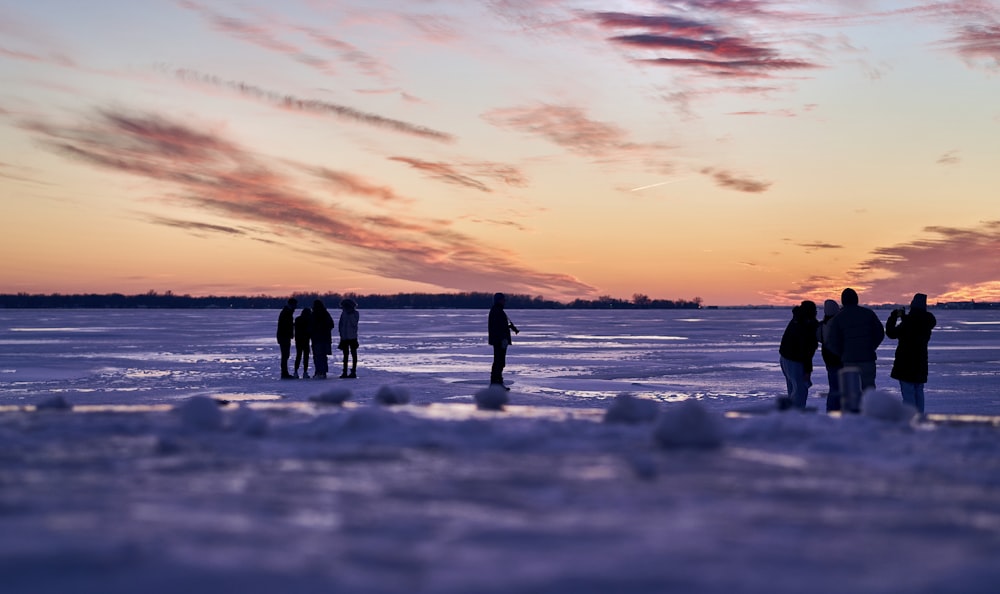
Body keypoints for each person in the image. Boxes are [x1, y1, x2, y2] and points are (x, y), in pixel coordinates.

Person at [826, 288, 885, 411]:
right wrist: (871, 347)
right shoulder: (868, 314)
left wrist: (843, 353)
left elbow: (831, 341)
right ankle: (870, 416)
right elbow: (879, 333)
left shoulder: (838, 318)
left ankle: (853, 421)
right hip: (867, 359)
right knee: (869, 392)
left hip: (849, 361)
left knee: (850, 393)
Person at [885, 293, 936, 414]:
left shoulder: (908, 322)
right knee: (919, 393)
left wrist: (893, 317)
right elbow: (915, 325)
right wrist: (904, 318)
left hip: (906, 364)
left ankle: (910, 420)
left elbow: (891, 333)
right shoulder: (926, 322)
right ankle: (919, 418)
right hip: (920, 364)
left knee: (908, 395)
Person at [778, 300, 819, 409]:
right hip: (794, 361)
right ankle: (796, 416)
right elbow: (806, 351)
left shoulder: (798, 319)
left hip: (785, 358)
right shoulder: (804, 325)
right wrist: (807, 371)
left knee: (793, 390)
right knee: (799, 392)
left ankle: (790, 415)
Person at [487, 292, 519, 389]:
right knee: (499, 362)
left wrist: (509, 327)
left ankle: (497, 382)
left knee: (500, 362)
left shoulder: (498, 310)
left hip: (499, 340)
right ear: (499, 300)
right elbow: (497, 327)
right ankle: (496, 383)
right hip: (499, 341)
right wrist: (503, 339)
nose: (504, 301)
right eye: (503, 299)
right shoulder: (497, 311)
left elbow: (500, 326)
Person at [817, 299, 844, 411]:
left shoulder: (822, 325)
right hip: (837, 360)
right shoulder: (836, 324)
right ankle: (835, 411)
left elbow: (819, 338)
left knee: (834, 386)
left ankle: (832, 410)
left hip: (828, 359)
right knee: (838, 388)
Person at [311, 299, 334, 379]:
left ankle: (318, 371)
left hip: (317, 339)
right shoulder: (326, 314)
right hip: (325, 339)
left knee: (317, 356)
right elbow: (331, 325)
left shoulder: (314, 314)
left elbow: (311, 326)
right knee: (323, 356)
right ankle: (323, 372)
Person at [338, 298, 360, 379]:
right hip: (344, 337)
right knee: (345, 355)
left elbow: (354, 323)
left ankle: (353, 371)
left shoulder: (355, 314)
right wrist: (341, 334)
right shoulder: (343, 314)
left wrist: (350, 314)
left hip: (352, 337)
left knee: (354, 355)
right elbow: (341, 324)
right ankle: (344, 372)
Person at [276, 298, 297, 379]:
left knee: (285, 355)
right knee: (285, 355)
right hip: (284, 336)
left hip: (284, 336)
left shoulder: (287, 312)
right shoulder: (286, 312)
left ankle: (285, 372)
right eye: (295, 305)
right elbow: (285, 325)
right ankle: (284, 373)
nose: (296, 307)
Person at [293, 307, 312, 379]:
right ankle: (305, 372)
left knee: (298, 356)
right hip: (305, 340)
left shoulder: (298, 319)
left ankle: (295, 371)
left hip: (298, 340)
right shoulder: (309, 320)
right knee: (305, 357)